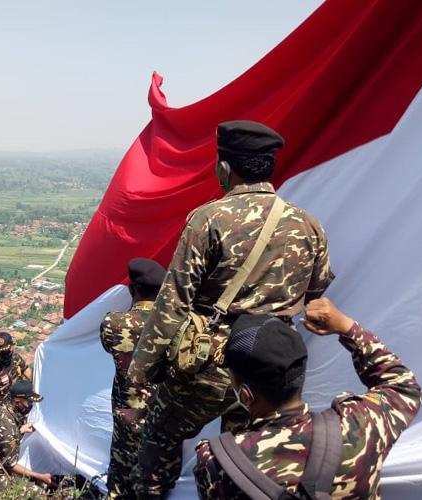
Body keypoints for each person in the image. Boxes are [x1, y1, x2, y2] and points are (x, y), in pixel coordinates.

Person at [128, 120, 335, 498]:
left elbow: (173, 300)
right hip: (272, 365)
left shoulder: (209, 219)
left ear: (224, 169)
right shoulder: (309, 224)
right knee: (245, 456)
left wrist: (142, 369)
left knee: (160, 434)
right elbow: (318, 288)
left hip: (215, 357)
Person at [194, 298, 422, 499]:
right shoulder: (361, 425)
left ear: (245, 395)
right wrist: (346, 327)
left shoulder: (216, 462)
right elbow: (404, 387)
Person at [100, 258, 165, 499]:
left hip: (126, 416)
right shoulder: (179, 326)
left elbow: (111, 347)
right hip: (163, 418)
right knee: (157, 484)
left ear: (132, 289)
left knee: (120, 483)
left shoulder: (113, 323)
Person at [0, 379, 54, 489]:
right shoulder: (8, 427)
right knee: (37, 491)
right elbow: (10, 466)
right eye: (28, 402)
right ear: (17, 401)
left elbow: (3, 437)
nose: (30, 405)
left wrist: (20, 430)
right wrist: (41, 477)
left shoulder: (4, 410)